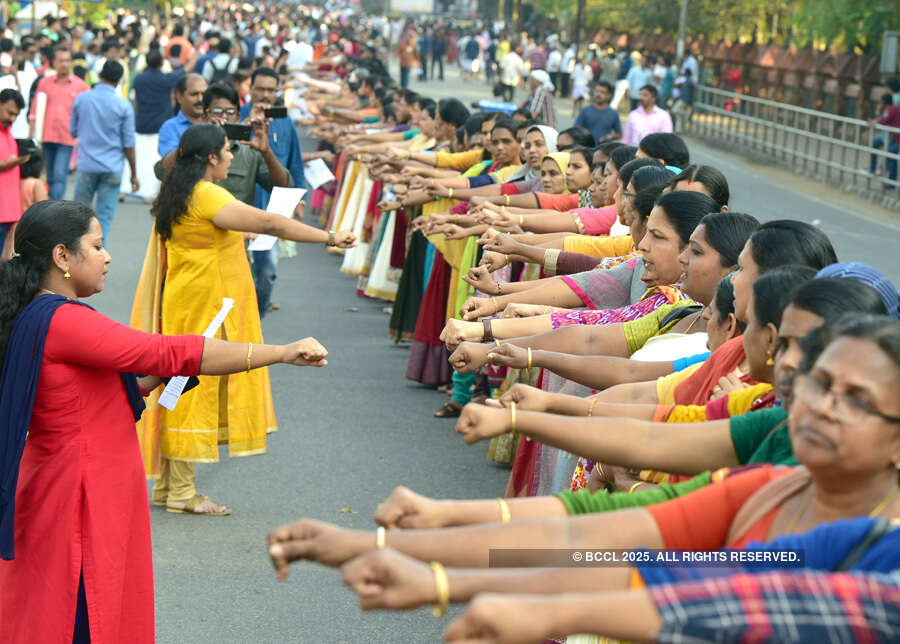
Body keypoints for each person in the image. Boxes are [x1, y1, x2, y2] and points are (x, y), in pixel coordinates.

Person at [0, 200, 331, 643]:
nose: (108, 256)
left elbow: (91, 396)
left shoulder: (38, 314)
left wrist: (156, 380)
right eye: (97, 246)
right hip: (81, 493)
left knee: (72, 608)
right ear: (62, 257)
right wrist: (280, 352)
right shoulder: (64, 320)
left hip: (69, 482)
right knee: (83, 612)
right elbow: (165, 351)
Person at [133, 123, 355, 515]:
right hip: (205, 306)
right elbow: (270, 222)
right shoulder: (206, 193)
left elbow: (209, 235)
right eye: (226, 151)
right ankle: (182, 491)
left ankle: (171, 486)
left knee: (177, 385)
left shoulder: (179, 189)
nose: (233, 157)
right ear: (212, 159)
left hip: (187, 300)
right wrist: (330, 238)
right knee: (189, 388)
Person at [240, 67, 308, 317]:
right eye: (261, 89)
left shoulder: (285, 123)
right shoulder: (238, 116)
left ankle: (256, 320)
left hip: (272, 211)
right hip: (238, 207)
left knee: (267, 272)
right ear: (251, 89)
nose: (265, 95)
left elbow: (295, 164)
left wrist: (299, 201)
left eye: (271, 90)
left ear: (277, 91)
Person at [70, 61, 137, 241]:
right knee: (104, 219)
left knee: (79, 219)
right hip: (112, 167)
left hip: (86, 165)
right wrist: (134, 174)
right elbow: (129, 143)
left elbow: (73, 131)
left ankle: (77, 261)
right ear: (119, 81)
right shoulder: (123, 106)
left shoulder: (82, 99)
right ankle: (98, 260)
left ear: (100, 76)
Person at [131, 48, 198, 199]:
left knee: (140, 159)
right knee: (157, 162)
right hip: (160, 123)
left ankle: (130, 188)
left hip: (141, 122)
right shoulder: (165, 79)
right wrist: (197, 50)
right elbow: (186, 70)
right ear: (162, 63)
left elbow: (135, 100)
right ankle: (150, 194)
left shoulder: (139, 79)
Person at [28, 46, 88, 199]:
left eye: (68, 60)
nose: (64, 64)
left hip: (66, 138)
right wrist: (31, 138)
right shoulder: (45, 83)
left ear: (72, 63)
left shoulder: (80, 86)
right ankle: (51, 207)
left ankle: (55, 209)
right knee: (48, 176)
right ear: (54, 62)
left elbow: (85, 114)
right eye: (61, 60)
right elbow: (35, 111)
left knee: (60, 175)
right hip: (46, 137)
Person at [0, 88, 26, 255]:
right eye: (9, 113)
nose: (12, 118)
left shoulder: (8, 134)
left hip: (8, 212)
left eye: (16, 115)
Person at [157, 72, 207, 156]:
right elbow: (169, 161)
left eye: (204, 94)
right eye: (194, 94)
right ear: (179, 96)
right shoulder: (170, 127)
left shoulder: (215, 123)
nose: (200, 99)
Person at [869, 92, 900, 186]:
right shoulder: (892, 109)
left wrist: (876, 122)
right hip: (896, 137)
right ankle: (890, 181)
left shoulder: (892, 109)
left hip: (898, 138)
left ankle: (891, 183)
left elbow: (887, 120)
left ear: (884, 102)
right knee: (891, 154)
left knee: (891, 154)